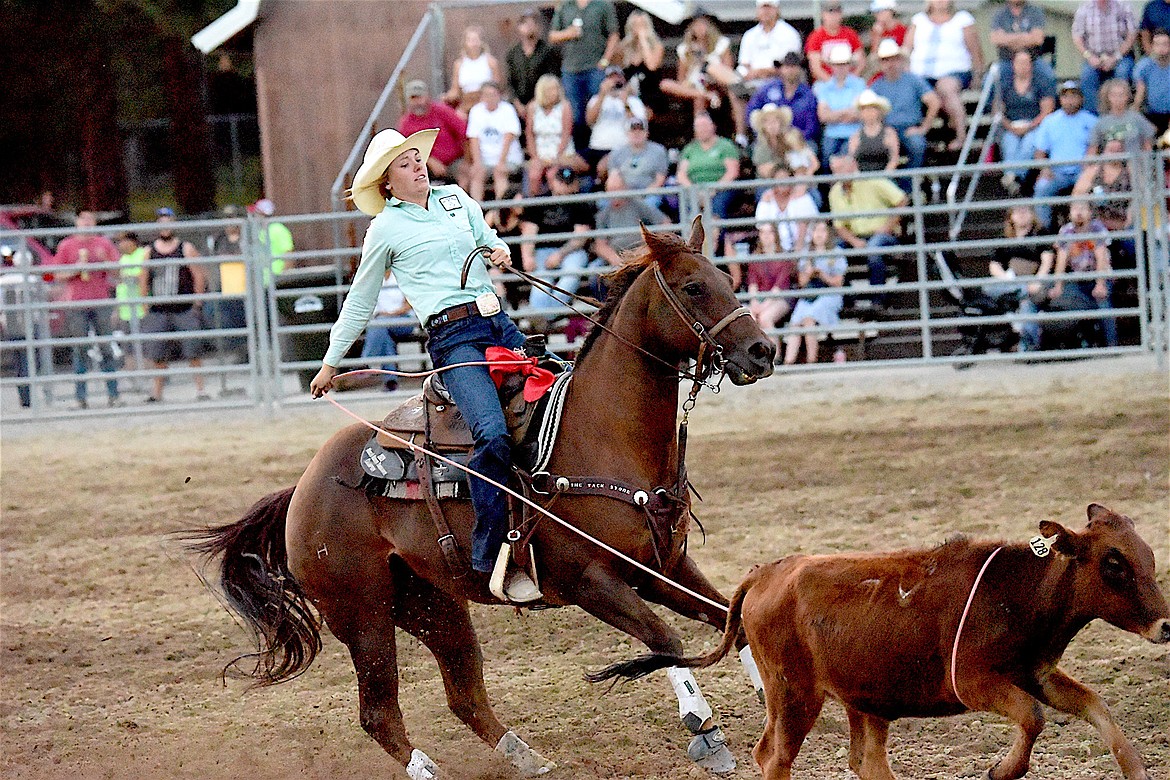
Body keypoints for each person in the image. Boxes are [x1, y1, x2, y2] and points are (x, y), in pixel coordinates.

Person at [309, 127, 541, 603]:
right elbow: (361, 300)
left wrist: (500, 248)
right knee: (492, 434)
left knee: (564, 398)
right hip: (454, 340)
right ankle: (490, 555)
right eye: (405, 163)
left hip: (500, 325)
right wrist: (331, 362)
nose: (418, 165)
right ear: (388, 183)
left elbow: (488, 239)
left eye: (417, 157)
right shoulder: (386, 229)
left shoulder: (457, 198)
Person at [48, 211, 122, 409]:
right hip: (76, 303)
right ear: (77, 222)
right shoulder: (67, 245)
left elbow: (118, 272)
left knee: (106, 347)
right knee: (80, 349)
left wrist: (104, 260)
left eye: (91, 220)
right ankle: (81, 397)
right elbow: (56, 274)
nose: (87, 223)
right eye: (84, 220)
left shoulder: (104, 244)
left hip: (100, 301)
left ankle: (113, 394)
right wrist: (76, 268)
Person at [141, 207, 208, 403]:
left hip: (184, 307)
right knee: (158, 354)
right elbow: (143, 280)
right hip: (159, 309)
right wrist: (145, 305)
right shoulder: (149, 251)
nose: (165, 226)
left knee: (193, 351)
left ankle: (200, 389)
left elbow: (198, 275)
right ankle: (157, 392)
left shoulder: (185, 248)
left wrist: (197, 301)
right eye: (161, 221)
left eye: (168, 221)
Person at [905, 0, 985, 151]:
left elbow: (975, 51)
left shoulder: (963, 19)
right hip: (922, 73)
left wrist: (977, 76)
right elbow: (907, 49)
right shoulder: (919, 20)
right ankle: (920, 138)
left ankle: (961, 136)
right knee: (916, 91)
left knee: (946, 88)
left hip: (955, 70)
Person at [828, 154, 907, 303]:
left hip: (882, 234)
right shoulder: (835, 192)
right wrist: (854, 241)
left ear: (852, 167)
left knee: (874, 248)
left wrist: (887, 226)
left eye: (841, 169)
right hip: (856, 236)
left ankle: (878, 298)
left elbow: (902, 200)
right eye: (835, 171)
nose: (838, 174)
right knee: (834, 252)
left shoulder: (873, 180)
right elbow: (839, 226)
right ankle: (848, 298)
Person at [658, 14, 748, 142]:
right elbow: (681, 80)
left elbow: (729, 74)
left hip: (718, 84)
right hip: (694, 86)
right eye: (696, 25)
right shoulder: (684, 49)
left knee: (702, 97)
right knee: (669, 85)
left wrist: (704, 60)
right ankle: (700, 138)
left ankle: (740, 137)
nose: (700, 28)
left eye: (703, 24)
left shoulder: (721, 44)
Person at [519, 166, 595, 314]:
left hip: (572, 252)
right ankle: (548, 317)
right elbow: (529, 232)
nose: (564, 186)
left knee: (571, 276)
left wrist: (560, 255)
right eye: (562, 182)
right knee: (541, 283)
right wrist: (527, 256)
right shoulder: (539, 201)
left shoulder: (581, 203)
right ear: (553, 182)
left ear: (574, 184)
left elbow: (580, 238)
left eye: (568, 183)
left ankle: (544, 317)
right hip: (542, 251)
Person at [549, 0, 620, 149]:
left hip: (595, 68)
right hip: (571, 69)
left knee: (598, 109)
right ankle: (581, 152)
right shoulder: (565, 6)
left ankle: (600, 148)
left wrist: (605, 60)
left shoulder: (603, 5)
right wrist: (568, 33)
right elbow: (553, 36)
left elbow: (613, 35)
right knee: (575, 115)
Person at [1050, 200, 1118, 347]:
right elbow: (1061, 260)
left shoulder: (1097, 228)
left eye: (1082, 208)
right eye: (1075, 209)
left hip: (1099, 276)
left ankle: (1111, 345)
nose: (1079, 212)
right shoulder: (1066, 231)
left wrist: (1100, 285)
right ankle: (1084, 343)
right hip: (1078, 279)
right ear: (1069, 213)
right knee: (1068, 301)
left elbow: (1101, 258)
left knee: (1103, 303)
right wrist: (1058, 285)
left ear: (1090, 213)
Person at [1033, 81, 1099, 230]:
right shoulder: (1049, 121)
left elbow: (1096, 148)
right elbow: (1039, 152)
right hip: (1056, 172)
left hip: (1082, 171)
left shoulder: (1092, 121)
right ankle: (1045, 233)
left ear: (1081, 98)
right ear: (1060, 99)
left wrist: (1088, 169)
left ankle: (1092, 231)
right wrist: (1045, 168)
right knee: (1041, 189)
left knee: (1097, 190)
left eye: (1074, 96)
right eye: (1066, 96)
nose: (1069, 100)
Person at [783, 220, 848, 365]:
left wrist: (823, 275)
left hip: (829, 295)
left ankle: (811, 360)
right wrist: (809, 273)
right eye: (816, 231)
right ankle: (788, 362)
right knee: (796, 323)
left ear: (828, 234)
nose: (819, 235)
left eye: (822, 231)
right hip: (809, 295)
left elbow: (838, 283)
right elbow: (801, 282)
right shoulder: (807, 254)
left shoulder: (836, 253)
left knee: (808, 319)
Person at [870, 38, 940, 170]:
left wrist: (924, 128)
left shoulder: (913, 80)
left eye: (894, 59)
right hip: (885, 130)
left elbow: (934, 101)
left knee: (917, 145)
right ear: (880, 63)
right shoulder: (876, 86)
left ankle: (909, 184)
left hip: (909, 128)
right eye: (885, 60)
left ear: (900, 60)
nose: (890, 63)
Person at [994, 50, 1055, 194]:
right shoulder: (1005, 84)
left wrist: (1030, 126)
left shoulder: (1040, 82)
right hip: (1011, 126)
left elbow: (1047, 110)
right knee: (1009, 145)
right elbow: (998, 110)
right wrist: (1009, 126)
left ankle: (1014, 177)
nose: (1022, 66)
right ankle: (1013, 178)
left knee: (1029, 144)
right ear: (1013, 65)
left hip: (1034, 125)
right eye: (1019, 62)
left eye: (1025, 63)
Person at [1074, 135, 1136, 269]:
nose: (1114, 154)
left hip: (1122, 223)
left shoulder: (1130, 171)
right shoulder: (1094, 171)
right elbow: (1078, 195)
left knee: (1131, 241)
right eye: (1111, 150)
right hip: (1095, 223)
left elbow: (1139, 196)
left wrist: (1130, 217)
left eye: (1118, 150)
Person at [591, 170, 670, 269]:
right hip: (616, 258)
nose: (613, 194)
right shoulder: (603, 214)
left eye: (616, 189)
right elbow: (600, 245)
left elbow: (665, 223)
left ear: (625, 188)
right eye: (610, 190)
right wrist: (614, 259)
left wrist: (651, 247)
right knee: (594, 272)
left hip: (641, 254)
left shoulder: (638, 205)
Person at [399, 79, 470, 189]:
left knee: (464, 174)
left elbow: (464, 133)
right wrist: (429, 160)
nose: (417, 102)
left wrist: (467, 160)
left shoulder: (442, 111)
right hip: (423, 164)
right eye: (413, 98)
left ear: (427, 97)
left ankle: (464, 204)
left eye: (420, 97)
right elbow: (405, 148)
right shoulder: (405, 123)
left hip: (454, 161)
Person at [1072, 0, 1137, 115]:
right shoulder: (1084, 9)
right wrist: (1089, 56)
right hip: (1094, 56)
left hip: (1120, 56)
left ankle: (1121, 115)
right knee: (1087, 76)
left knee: (1122, 73)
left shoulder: (1123, 7)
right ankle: (1093, 117)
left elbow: (1132, 35)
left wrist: (1115, 57)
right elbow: (1077, 37)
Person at [525, 74, 585, 197]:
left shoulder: (565, 106)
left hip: (561, 152)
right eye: (551, 89)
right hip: (540, 152)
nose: (555, 92)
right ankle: (534, 208)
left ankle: (556, 208)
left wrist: (556, 157)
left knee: (553, 174)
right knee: (534, 175)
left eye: (556, 89)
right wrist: (535, 157)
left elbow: (566, 133)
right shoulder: (532, 107)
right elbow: (529, 134)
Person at [676, 112, 741, 227]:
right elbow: (681, 174)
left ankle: (716, 238)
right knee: (684, 204)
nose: (702, 130)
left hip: (720, 189)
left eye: (705, 126)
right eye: (699, 127)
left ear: (713, 126)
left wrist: (712, 190)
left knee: (717, 205)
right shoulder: (690, 149)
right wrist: (694, 191)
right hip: (695, 189)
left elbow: (732, 172)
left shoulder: (725, 146)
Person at [466, 81, 524, 203]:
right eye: (486, 95)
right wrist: (477, 163)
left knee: (499, 172)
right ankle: (477, 212)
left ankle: (500, 213)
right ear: (481, 97)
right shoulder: (476, 111)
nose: (490, 98)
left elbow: (509, 137)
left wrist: (501, 162)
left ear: (499, 95)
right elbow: (473, 139)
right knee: (477, 174)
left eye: (493, 95)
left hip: (508, 158)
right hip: (485, 160)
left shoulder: (507, 110)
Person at [745, 51, 821, 144]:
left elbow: (812, 126)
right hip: (769, 139)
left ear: (800, 69)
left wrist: (796, 139)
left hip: (799, 140)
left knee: (810, 147)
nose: (790, 70)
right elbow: (751, 112)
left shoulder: (808, 95)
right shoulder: (767, 89)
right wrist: (764, 134)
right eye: (787, 66)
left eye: (794, 66)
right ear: (780, 68)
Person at [360, 270, 415, 392]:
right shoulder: (374, 278)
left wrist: (390, 314)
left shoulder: (401, 275)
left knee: (380, 325)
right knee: (384, 335)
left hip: (403, 319)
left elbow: (409, 304)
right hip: (380, 322)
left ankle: (365, 362)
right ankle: (391, 381)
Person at [814, 44, 867, 168]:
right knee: (827, 162)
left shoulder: (859, 84)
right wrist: (847, 112)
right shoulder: (824, 87)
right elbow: (823, 116)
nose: (840, 68)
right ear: (831, 66)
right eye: (837, 64)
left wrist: (834, 114)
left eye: (843, 64)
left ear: (849, 65)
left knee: (846, 162)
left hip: (854, 133)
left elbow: (859, 113)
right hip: (831, 134)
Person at [584, 66, 647, 166]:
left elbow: (639, 126)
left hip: (620, 149)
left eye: (618, 77)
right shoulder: (596, 99)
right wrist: (602, 95)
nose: (615, 81)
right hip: (596, 147)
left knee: (603, 165)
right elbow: (590, 121)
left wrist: (626, 104)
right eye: (611, 78)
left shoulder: (634, 101)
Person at [744, 223, 794, 348]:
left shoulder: (784, 258)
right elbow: (752, 284)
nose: (766, 236)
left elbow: (779, 287)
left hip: (781, 298)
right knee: (749, 317)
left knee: (765, 318)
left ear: (775, 235)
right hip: (760, 297)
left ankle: (775, 355)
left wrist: (763, 306)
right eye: (762, 232)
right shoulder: (755, 258)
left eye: (769, 232)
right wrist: (755, 302)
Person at [736, 0, 803, 93]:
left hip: (780, 81)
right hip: (752, 81)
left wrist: (759, 72)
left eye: (769, 8)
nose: (765, 12)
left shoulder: (789, 33)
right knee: (734, 86)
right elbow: (744, 63)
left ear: (777, 10)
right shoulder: (749, 35)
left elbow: (789, 64)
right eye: (763, 8)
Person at [506, 8, 562, 117]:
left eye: (533, 23)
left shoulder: (548, 51)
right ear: (519, 27)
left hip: (543, 104)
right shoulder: (513, 53)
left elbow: (552, 78)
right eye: (525, 23)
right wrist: (518, 105)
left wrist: (535, 102)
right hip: (518, 106)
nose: (529, 27)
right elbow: (510, 83)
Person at [599, 117, 669, 203]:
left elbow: (660, 179)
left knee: (650, 203)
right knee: (602, 203)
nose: (637, 133)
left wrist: (641, 197)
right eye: (633, 130)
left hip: (650, 194)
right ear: (627, 133)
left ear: (647, 133)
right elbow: (613, 179)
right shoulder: (616, 153)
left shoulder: (659, 151)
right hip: (623, 194)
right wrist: (626, 198)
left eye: (640, 130)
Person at [443, 26, 504, 116]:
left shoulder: (491, 62)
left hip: (486, 103)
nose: (473, 43)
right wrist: (446, 97)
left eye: (476, 40)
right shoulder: (459, 64)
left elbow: (497, 87)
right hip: (466, 103)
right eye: (470, 40)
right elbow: (455, 90)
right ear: (465, 43)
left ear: (481, 42)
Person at [616, 10, 666, 117]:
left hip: (650, 95)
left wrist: (643, 40)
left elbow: (652, 66)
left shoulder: (657, 46)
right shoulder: (624, 48)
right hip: (629, 95)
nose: (638, 28)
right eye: (635, 25)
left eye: (641, 25)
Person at [989, 0, 1055, 81]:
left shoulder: (1035, 11)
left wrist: (1008, 38)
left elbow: (1038, 39)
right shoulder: (999, 14)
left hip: (1032, 60)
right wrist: (1025, 36)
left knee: (1048, 75)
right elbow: (996, 39)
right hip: (1007, 60)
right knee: (990, 79)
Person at [1088, 79, 1155, 155]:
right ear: (1108, 97)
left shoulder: (1137, 118)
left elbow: (1147, 145)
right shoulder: (1101, 122)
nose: (1117, 99)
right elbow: (1092, 150)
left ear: (1127, 96)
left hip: (1135, 163)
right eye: (1114, 95)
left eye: (1121, 95)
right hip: (1111, 164)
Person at [806, 0, 864, 83]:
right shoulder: (815, 37)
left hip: (850, 81)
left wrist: (851, 80)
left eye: (837, 12)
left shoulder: (851, 34)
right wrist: (833, 84)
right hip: (825, 84)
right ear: (823, 14)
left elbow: (861, 61)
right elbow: (815, 68)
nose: (833, 16)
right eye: (830, 12)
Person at [848, 89, 900, 173]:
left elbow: (894, 159)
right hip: (862, 179)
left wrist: (884, 176)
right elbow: (853, 161)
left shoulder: (889, 133)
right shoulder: (855, 136)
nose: (869, 112)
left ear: (879, 111)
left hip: (885, 179)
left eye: (872, 108)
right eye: (865, 109)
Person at [1133, 28, 1170, 136]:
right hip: (1151, 116)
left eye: (1165, 44)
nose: (1161, 48)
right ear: (1152, 46)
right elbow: (1139, 97)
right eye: (1157, 44)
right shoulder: (1143, 66)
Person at [250, 198, 293, 282]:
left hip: (276, 278)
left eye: (257, 213)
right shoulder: (259, 231)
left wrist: (283, 278)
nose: (254, 216)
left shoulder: (278, 229)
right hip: (264, 280)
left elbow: (288, 254)